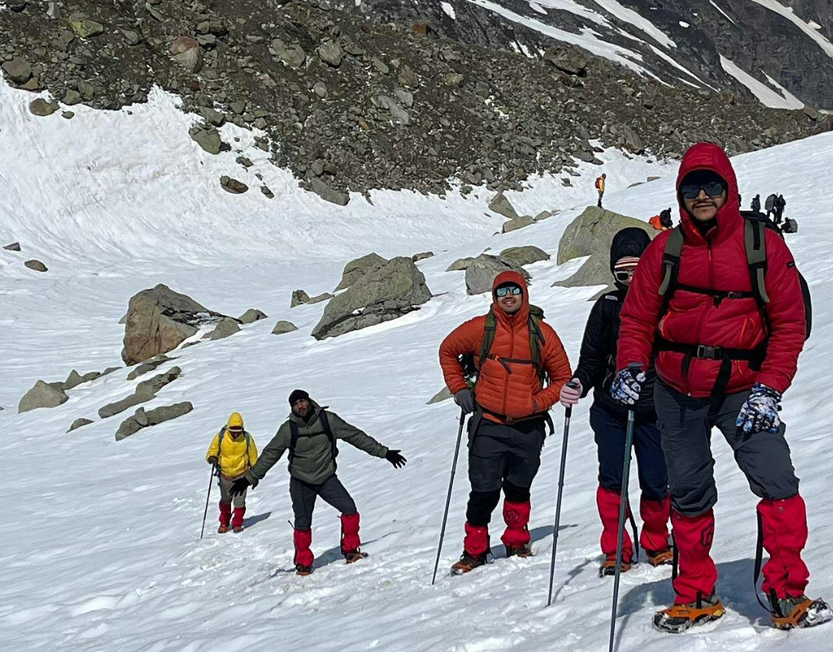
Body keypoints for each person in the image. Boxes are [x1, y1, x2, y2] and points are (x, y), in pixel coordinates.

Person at [612, 142, 825, 630]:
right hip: (676, 390)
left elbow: (789, 323)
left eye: (712, 186)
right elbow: (636, 319)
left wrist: (769, 387)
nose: (702, 195)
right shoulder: (664, 251)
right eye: (692, 187)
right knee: (688, 491)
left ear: (729, 189)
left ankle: (787, 591)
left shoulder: (761, 245)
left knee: (777, 482)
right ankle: (695, 594)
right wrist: (630, 365)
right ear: (680, 194)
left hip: (744, 389)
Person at [437, 269, 572, 573]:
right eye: (502, 291)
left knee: (518, 487)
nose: (508, 296)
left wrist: (537, 403)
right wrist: (459, 389)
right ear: (494, 296)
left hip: (529, 427)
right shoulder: (480, 329)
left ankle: (517, 542)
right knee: (483, 490)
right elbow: (447, 350)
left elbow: (563, 377)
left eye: (514, 290)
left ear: (524, 294)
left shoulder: (542, 333)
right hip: (489, 423)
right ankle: (474, 551)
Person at [559, 227, 672, 576]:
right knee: (612, 480)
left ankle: (656, 542)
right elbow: (592, 358)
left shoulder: (668, 304)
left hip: (655, 410)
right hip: (611, 410)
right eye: (622, 274)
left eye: (638, 271)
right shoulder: (606, 306)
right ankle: (616, 549)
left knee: (657, 481)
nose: (631, 280)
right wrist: (579, 382)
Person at [247, 388, 406, 575]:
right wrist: (250, 477)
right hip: (301, 482)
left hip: (326, 478)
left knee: (349, 509)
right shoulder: (288, 429)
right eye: (296, 404)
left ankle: (351, 551)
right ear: (292, 408)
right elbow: (271, 453)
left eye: (302, 401)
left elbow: (356, 436)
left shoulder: (328, 420)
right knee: (303, 523)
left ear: (309, 401)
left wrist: (384, 453)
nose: (300, 406)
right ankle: (303, 564)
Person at [205, 412, 258, 533]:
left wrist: (255, 475)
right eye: (233, 430)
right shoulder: (221, 436)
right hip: (225, 475)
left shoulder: (247, 438)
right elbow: (212, 450)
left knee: (239, 503)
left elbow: (253, 457)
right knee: (225, 501)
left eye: (238, 431)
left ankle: (237, 523)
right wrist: (212, 457)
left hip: (242, 475)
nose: (235, 433)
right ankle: (224, 522)